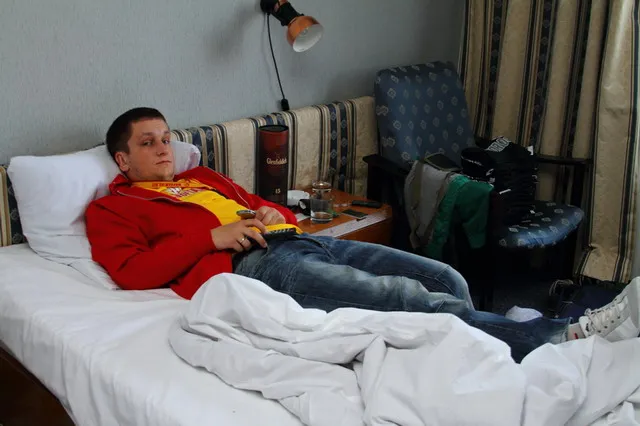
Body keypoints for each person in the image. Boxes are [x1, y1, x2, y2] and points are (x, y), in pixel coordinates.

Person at [85, 107, 640, 362]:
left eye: (166, 137)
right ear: (122, 159)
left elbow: (262, 205)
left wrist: (268, 216)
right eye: (148, 142)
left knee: (443, 277)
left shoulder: (202, 177)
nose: (163, 148)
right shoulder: (113, 207)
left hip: (295, 241)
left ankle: (483, 351)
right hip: (254, 266)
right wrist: (214, 238)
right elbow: (131, 271)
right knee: (403, 297)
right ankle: (557, 337)